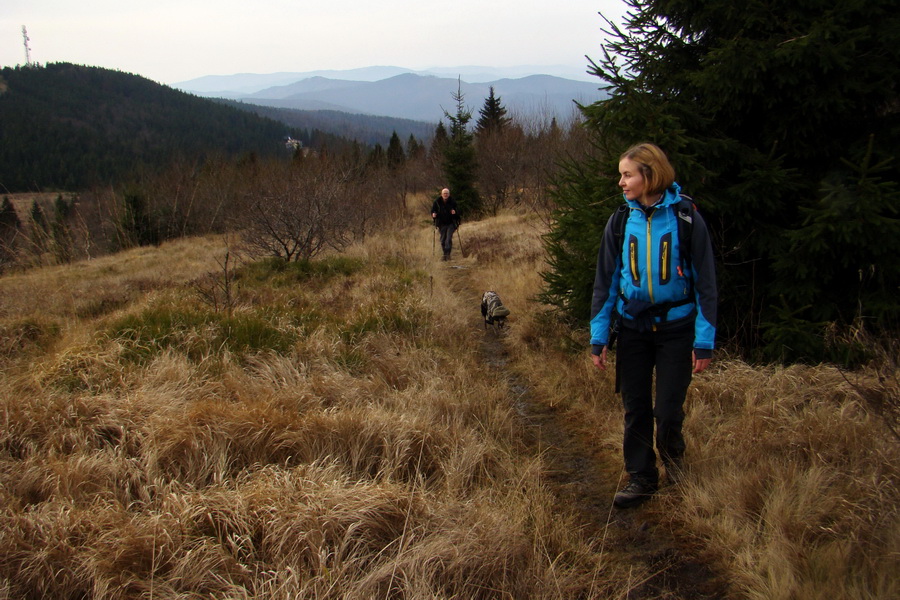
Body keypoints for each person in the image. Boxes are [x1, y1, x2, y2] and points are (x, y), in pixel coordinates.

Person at [590, 143, 717, 509]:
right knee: (636, 408)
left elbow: (706, 283)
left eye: (627, 174)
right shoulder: (620, 221)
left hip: (677, 330)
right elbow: (606, 282)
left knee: (667, 409)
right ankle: (641, 477)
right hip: (633, 329)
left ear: (650, 174)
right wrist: (599, 337)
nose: (621, 182)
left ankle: (675, 466)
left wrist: (704, 341)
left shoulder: (685, 217)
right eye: (621, 174)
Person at [431, 188, 459, 260]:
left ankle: (448, 255)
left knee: (448, 238)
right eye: (444, 193)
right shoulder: (437, 202)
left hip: (451, 223)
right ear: (441, 194)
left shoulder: (452, 202)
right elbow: (433, 210)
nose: (445, 195)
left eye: (447, 193)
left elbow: (458, 212)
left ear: (449, 194)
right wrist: (433, 214)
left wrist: (454, 212)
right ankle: (445, 254)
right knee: (443, 240)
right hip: (441, 224)